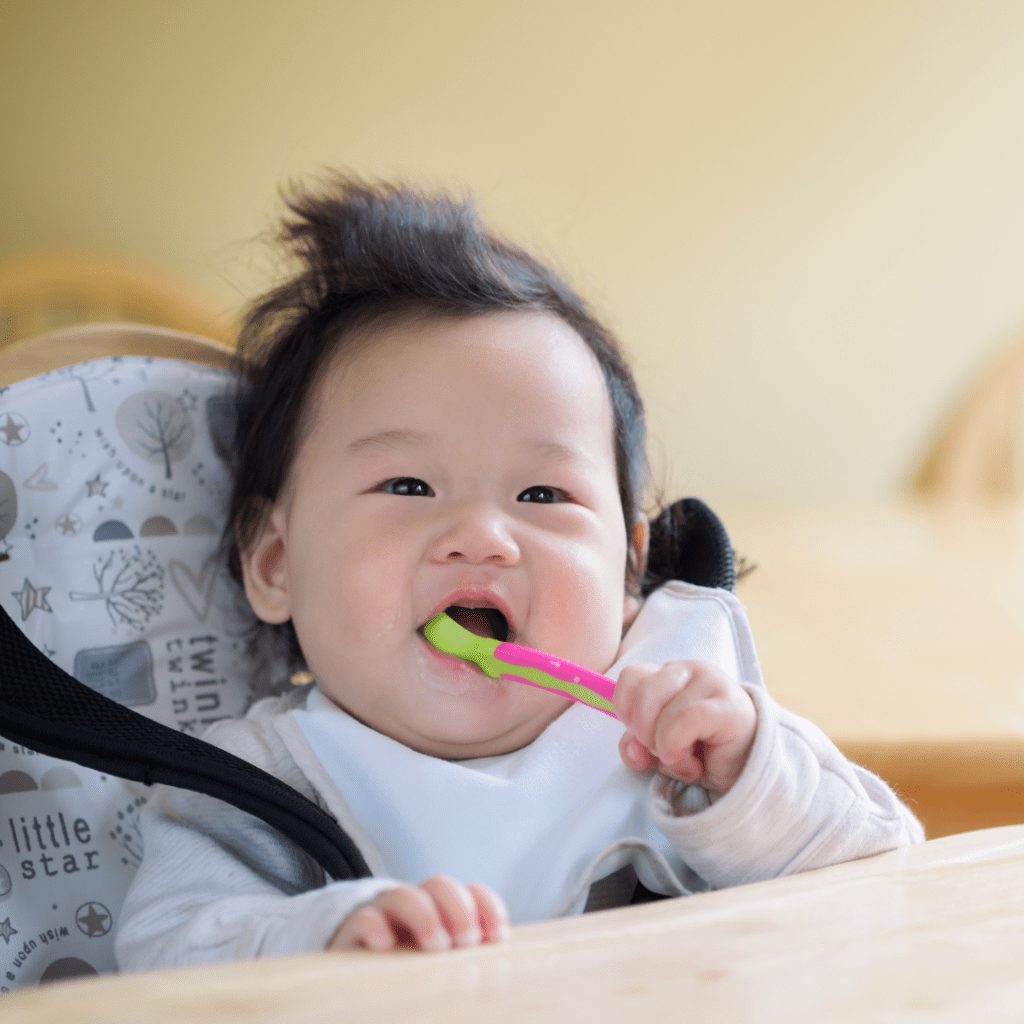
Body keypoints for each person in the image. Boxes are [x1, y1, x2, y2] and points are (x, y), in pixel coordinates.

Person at [115, 175, 922, 968]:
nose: (481, 536)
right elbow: (167, 949)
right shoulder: (262, 785)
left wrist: (748, 775)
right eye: (408, 486)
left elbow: (885, 883)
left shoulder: (667, 736)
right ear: (278, 564)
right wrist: (326, 933)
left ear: (629, 573)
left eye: (542, 493)